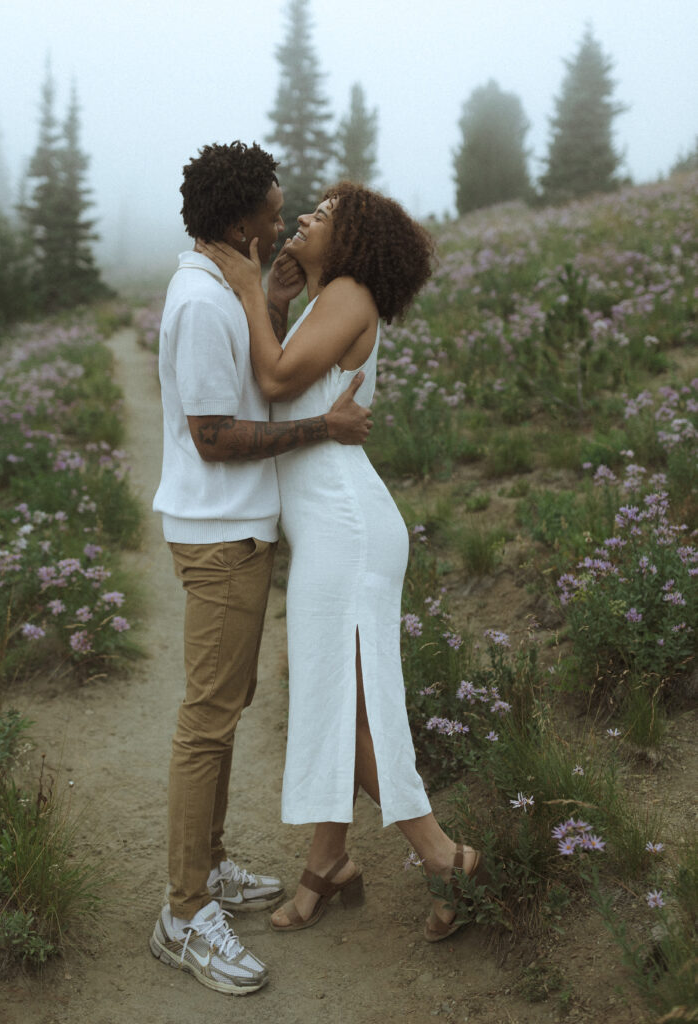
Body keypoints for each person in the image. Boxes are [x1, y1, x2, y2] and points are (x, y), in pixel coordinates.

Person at [201, 181, 486, 946]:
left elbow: (268, 381)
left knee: (350, 704)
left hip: (346, 528)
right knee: (334, 696)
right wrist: (279, 304)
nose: (302, 218)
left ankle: (440, 853)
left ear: (352, 238)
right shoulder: (333, 300)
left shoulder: (351, 294)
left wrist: (247, 286)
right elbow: (287, 388)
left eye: (321, 215)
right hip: (332, 527)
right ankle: (327, 864)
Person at [149, 143, 372, 997]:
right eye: (275, 213)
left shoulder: (224, 293)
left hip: (233, 532)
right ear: (243, 220)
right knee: (207, 719)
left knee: (225, 706)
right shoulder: (203, 302)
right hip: (219, 536)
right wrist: (321, 430)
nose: (282, 225)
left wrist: (268, 300)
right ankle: (183, 912)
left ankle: (207, 866)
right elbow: (215, 433)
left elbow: (250, 385)